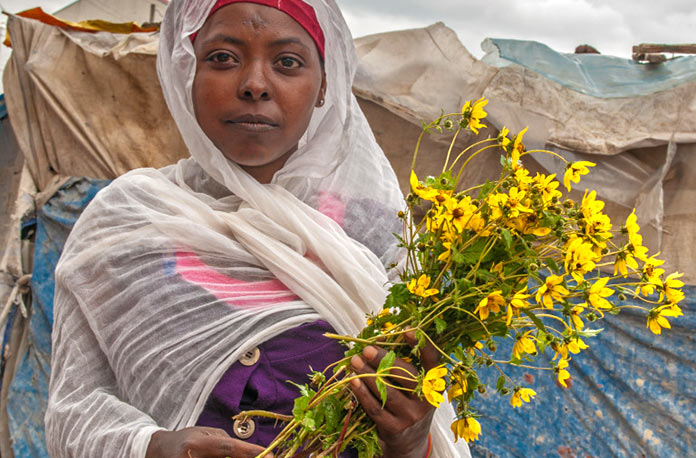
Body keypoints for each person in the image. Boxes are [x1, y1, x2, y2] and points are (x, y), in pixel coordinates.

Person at [45, 1, 471, 457]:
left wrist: (408, 441)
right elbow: (74, 407)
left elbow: (418, 417)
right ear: (185, 71)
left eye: (287, 62)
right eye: (223, 58)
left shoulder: (379, 237)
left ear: (324, 84)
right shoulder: (126, 223)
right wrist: (151, 447)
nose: (253, 85)